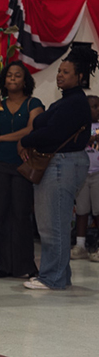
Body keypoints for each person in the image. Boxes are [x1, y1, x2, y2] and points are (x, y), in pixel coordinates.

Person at [20, 45, 96, 290]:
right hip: (63, 163)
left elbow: (53, 134)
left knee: (53, 224)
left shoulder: (74, 103)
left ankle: (51, 277)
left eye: (66, 72)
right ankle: (59, 276)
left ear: (79, 76)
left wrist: (25, 140)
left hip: (63, 163)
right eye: (59, 71)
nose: (60, 75)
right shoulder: (69, 101)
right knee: (55, 222)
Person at [0, 61, 43, 279]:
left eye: (17, 75)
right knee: (2, 213)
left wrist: (2, 138)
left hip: (22, 165)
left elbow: (32, 129)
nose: (12, 78)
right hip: (0, 163)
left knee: (21, 214)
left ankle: (25, 265)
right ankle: (5, 265)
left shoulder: (33, 103)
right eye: (9, 75)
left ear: (25, 80)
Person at [71, 95, 99, 262]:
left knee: (98, 210)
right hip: (81, 174)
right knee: (81, 210)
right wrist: (91, 138)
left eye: (97, 106)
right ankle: (80, 245)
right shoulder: (80, 128)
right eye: (91, 107)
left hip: (97, 174)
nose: (95, 110)